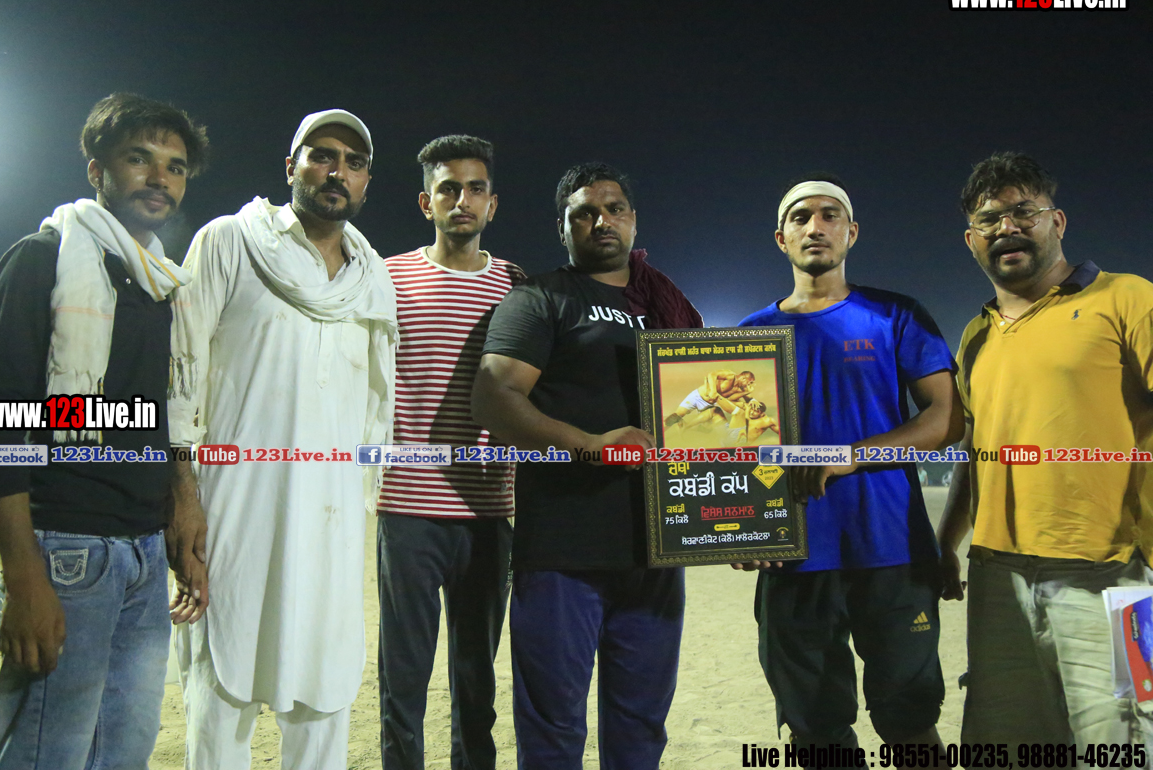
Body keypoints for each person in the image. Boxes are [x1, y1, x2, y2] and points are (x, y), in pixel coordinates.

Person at [0, 92, 209, 768]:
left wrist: (181, 511)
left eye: (175, 166)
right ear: (97, 170)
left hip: (143, 557)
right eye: (139, 158)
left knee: (123, 755)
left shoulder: (161, 283)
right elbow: (0, 419)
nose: (159, 177)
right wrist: (25, 576)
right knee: (46, 756)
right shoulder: (43, 258)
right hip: (65, 551)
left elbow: (159, 419)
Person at [167, 109, 397, 770]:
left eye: (354, 163)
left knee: (324, 696)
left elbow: (375, 410)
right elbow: (179, 373)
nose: (337, 172)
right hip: (233, 511)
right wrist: (181, 497)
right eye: (322, 155)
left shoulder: (371, 278)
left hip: (331, 522)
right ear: (291, 166)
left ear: (367, 180)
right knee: (219, 698)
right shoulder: (229, 242)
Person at [471, 162, 702, 769]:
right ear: (563, 227)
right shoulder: (541, 298)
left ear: (633, 220)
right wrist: (591, 445)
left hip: (656, 554)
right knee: (552, 732)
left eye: (614, 209)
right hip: (562, 554)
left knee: (641, 731)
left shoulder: (672, 309)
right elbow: (493, 397)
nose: (602, 221)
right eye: (584, 213)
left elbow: (711, 424)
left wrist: (737, 523)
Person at [736, 174, 963, 758]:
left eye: (830, 214)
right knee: (816, 732)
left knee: (910, 721)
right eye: (801, 217)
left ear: (852, 232)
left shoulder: (896, 316)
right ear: (781, 238)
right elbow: (732, 453)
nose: (816, 226)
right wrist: (737, 528)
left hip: (891, 550)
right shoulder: (750, 337)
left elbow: (945, 421)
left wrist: (848, 456)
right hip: (793, 557)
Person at [936, 152, 1153, 748]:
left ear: (1056, 222)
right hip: (997, 575)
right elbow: (977, 448)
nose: (1006, 227)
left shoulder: (1127, 298)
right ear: (971, 241)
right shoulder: (976, 335)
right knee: (1011, 744)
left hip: (1115, 572)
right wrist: (947, 540)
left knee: (1122, 738)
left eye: (1023, 212)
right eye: (989, 220)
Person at [378, 135, 522, 770]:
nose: (462, 200)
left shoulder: (517, 285)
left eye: (475, 189)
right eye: (448, 188)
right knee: (403, 675)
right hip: (407, 509)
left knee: (476, 677)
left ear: (493, 203)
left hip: (489, 512)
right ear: (426, 201)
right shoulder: (387, 277)